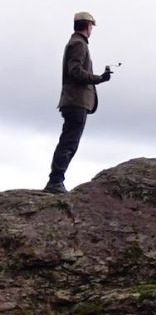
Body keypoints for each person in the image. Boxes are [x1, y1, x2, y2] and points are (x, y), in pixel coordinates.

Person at [43, 11, 112, 194]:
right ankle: (55, 181)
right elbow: (75, 71)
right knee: (69, 142)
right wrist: (98, 78)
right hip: (76, 101)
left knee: (69, 141)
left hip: (74, 101)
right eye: (91, 27)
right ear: (88, 27)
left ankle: (56, 180)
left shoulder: (75, 43)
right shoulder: (79, 44)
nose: (91, 30)